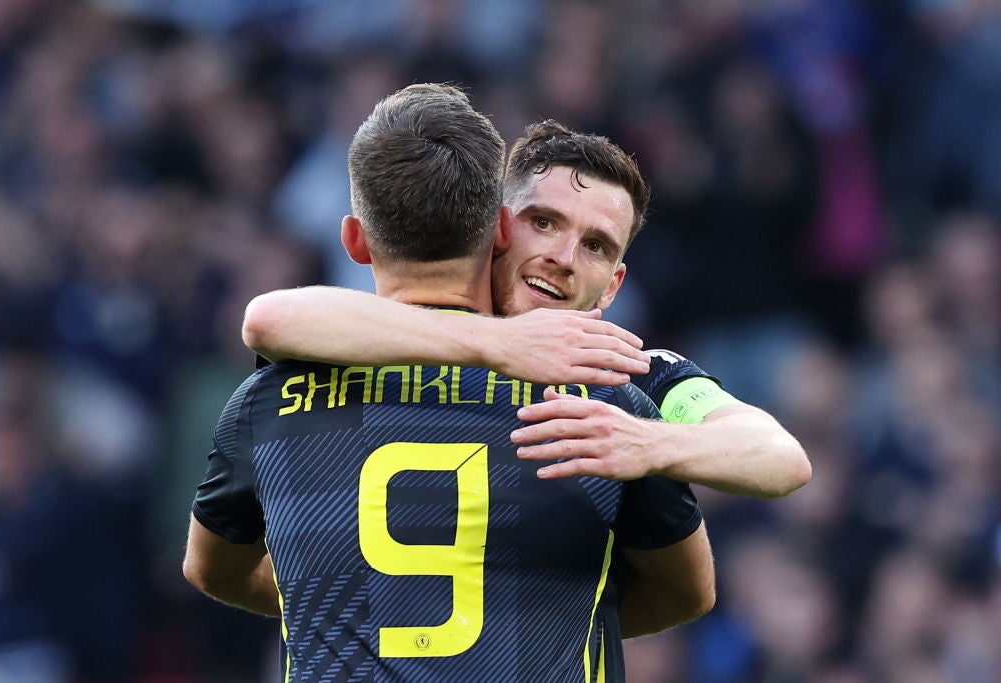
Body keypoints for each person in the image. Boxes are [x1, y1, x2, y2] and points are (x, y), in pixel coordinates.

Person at [183, 84, 714, 682]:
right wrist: (541, 614)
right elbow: (688, 592)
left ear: (355, 242)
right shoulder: (599, 404)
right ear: (502, 232)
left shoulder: (267, 403)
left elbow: (212, 570)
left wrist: (344, 608)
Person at [242, 120, 812, 499]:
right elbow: (270, 319)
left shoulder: (631, 376)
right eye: (545, 222)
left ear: (612, 286)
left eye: (595, 246)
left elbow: (780, 456)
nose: (564, 258)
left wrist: (648, 442)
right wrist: (497, 345)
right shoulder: (395, 332)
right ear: (498, 228)